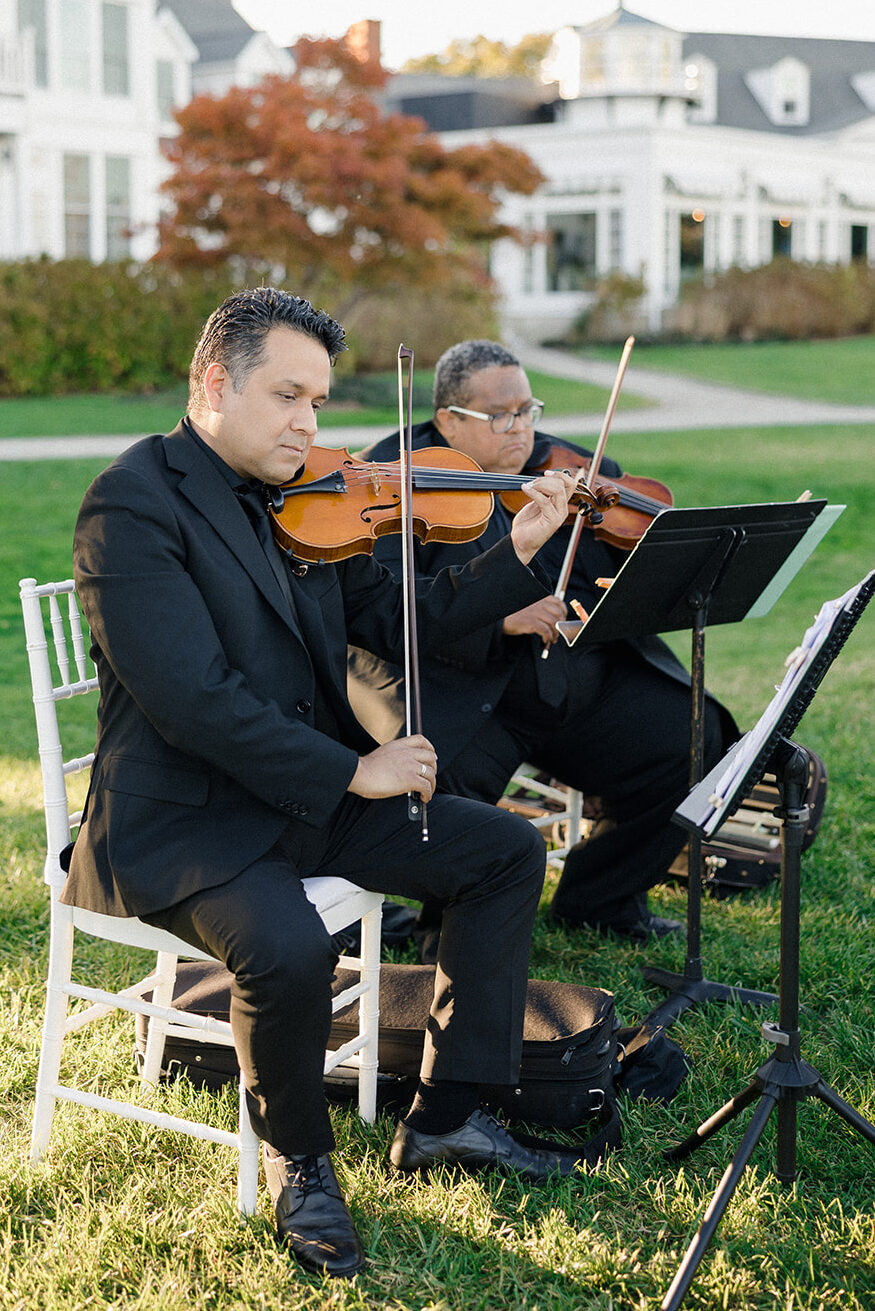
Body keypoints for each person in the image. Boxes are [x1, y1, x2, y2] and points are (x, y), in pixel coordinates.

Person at [61, 292, 580, 1279]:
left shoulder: (306, 493)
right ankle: (300, 1162)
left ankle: (448, 1117)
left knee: (504, 850)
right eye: (287, 396)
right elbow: (191, 700)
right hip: (184, 818)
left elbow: (399, 617)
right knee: (288, 945)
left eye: (319, 400)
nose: (310, 423)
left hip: (303, 803)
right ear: (213, 384)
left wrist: (510, 554)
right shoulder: (132, 502)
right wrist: (355, 769)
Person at [348, 339, 738, 950]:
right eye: (501, 416)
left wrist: (633, 583)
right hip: (470, 690)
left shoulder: (566, 466)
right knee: (442, 785)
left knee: (692, 735)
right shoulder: (396, 477)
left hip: (577, 679)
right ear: (449, 418)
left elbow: (620, 558)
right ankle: (443, 932)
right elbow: (378, 607)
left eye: (529, 410)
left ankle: (600, 897)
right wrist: (498, 620)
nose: (522, 429)